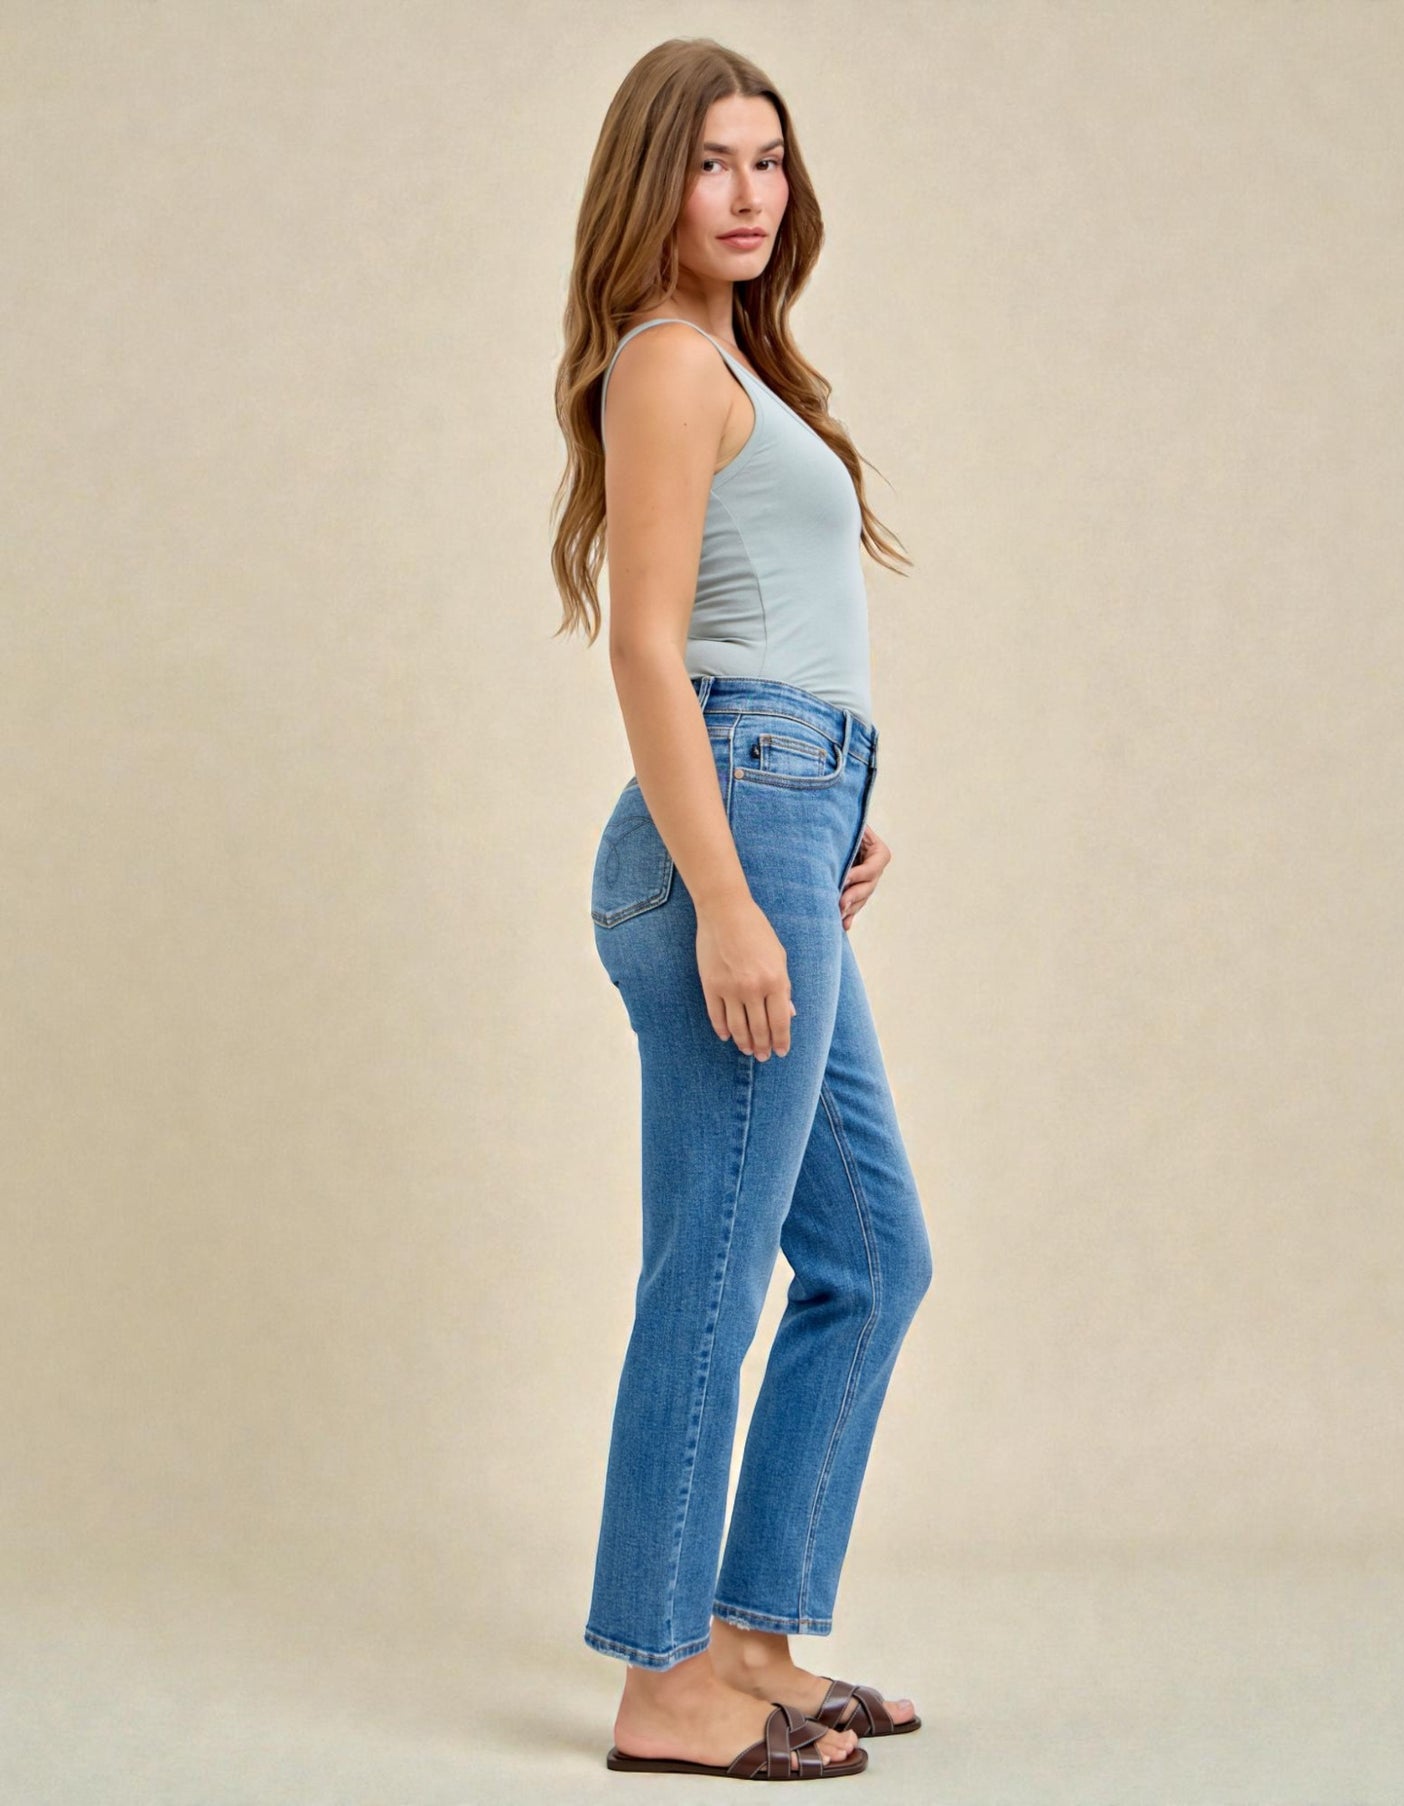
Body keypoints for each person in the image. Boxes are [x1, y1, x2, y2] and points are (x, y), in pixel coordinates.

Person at [551, 38, 934, 1783]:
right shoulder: (661, 358)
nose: (749, 192)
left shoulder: (738, 367)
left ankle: (751, 1638)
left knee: (869, 1256)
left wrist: (832, 812)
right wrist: (726, 890)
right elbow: (649, 647)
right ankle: (660, 1683)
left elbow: (772, 623)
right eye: (712, 161)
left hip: (786, 808)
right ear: (654, 181)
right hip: (727, 821)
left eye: (767, 160)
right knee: (710, 1263)